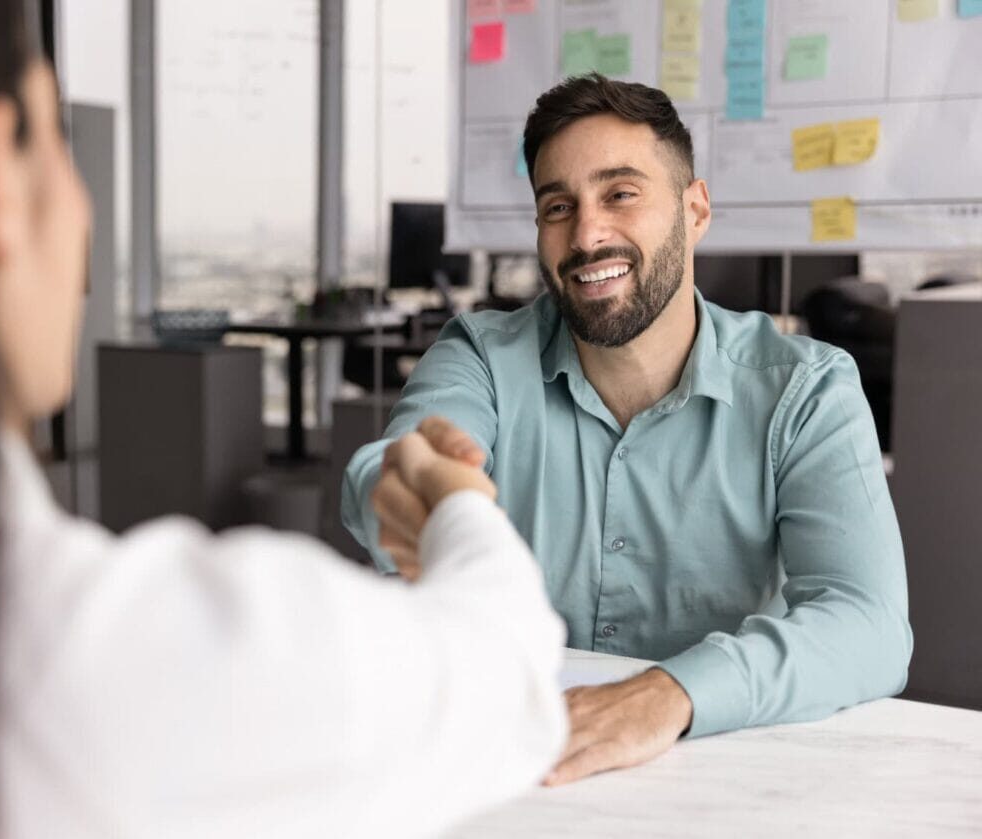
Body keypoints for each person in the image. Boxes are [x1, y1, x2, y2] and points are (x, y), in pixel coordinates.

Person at [0, 3, 568, 837]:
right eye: (57, 138)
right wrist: (454, 502)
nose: (83, 215)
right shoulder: (102, 671)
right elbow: (509, 671)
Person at [343, 73, 912, 785]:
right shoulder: (484, 355)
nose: (586, 234)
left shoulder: (806, 388)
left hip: (721, 769)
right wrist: (403, 491)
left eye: (620, 193)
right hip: (512, 764)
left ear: (694, 209)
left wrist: (669, 694)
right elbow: (391, 467)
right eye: (558, 206)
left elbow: (868, 623)